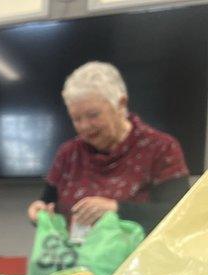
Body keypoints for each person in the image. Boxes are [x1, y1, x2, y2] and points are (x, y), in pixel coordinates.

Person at [27, 61, 189, 233]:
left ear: (121, 104)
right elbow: (48, 202)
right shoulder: (68, 154)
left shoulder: (161, 148)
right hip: (77, 257)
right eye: (76, 118)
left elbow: (180, 216)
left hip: (138, 258)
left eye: (93, 115)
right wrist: (39, 210)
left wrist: (116, 208)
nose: (84, 126)